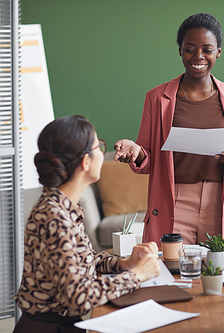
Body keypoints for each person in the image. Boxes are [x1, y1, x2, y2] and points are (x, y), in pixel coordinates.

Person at [114, 13, 224, 246]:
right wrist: (136, 151)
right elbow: (148, 159)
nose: (198, 56)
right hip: (175, 202)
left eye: (207, 50)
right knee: (173, 274)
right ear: (180, 50)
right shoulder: (156, 98)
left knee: (223, 274)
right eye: (190, 48)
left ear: (218, 52)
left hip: (221, 201)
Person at [13, 116, 161, 333]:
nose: (103, 153)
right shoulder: (54, 216)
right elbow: (77, 297)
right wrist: (137, 275)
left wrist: (125, 263)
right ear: (86, 161)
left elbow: (85, 260)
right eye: (99, 146)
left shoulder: (64, 206)